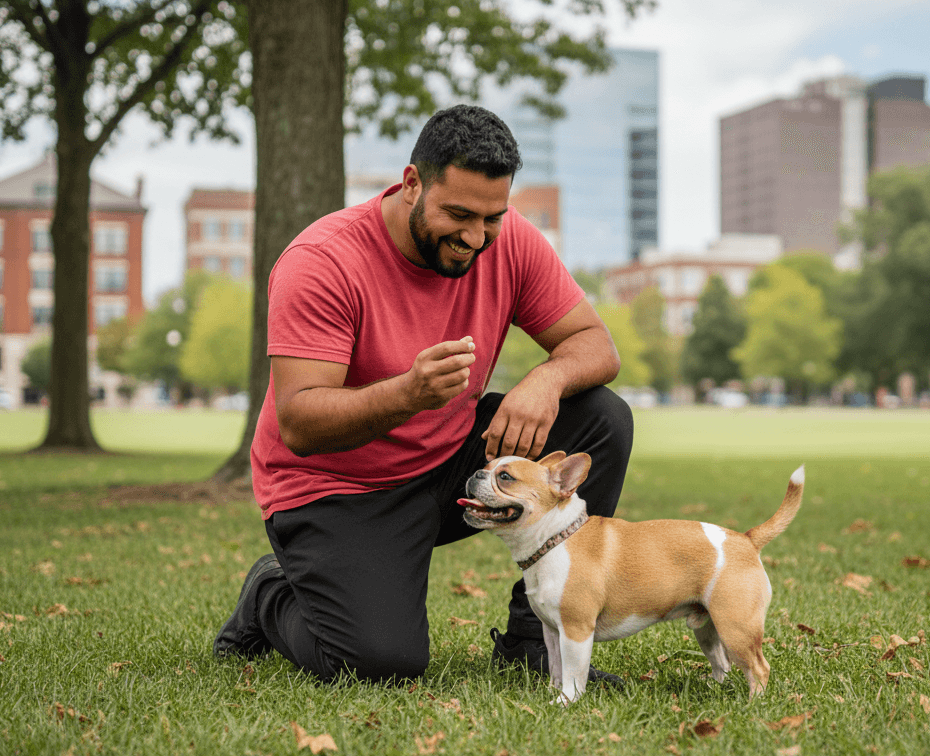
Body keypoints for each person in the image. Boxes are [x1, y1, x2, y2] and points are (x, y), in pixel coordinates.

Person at [214, 104, 634, 687]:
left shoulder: (506, 241)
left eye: (491, 217)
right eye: (458, 214)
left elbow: (595, 346)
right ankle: (269, 594)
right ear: (412, 184)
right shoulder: (323, 261)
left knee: (601, 417)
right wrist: (408, 393)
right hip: (338, 487)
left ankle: (533, 643)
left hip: (452, 461)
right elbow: (301, 423)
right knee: (379, 664)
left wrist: (548, 378)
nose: (474, 236)